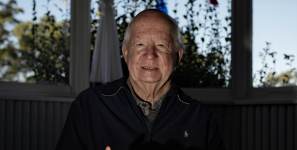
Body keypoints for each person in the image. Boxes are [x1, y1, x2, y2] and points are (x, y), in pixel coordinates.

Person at [56, 9, 225, 150]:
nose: (150, 55)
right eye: (140, 45)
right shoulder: (90, 106)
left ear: (178, 56)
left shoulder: (201, 117)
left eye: (161, 46)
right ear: (125, 52)